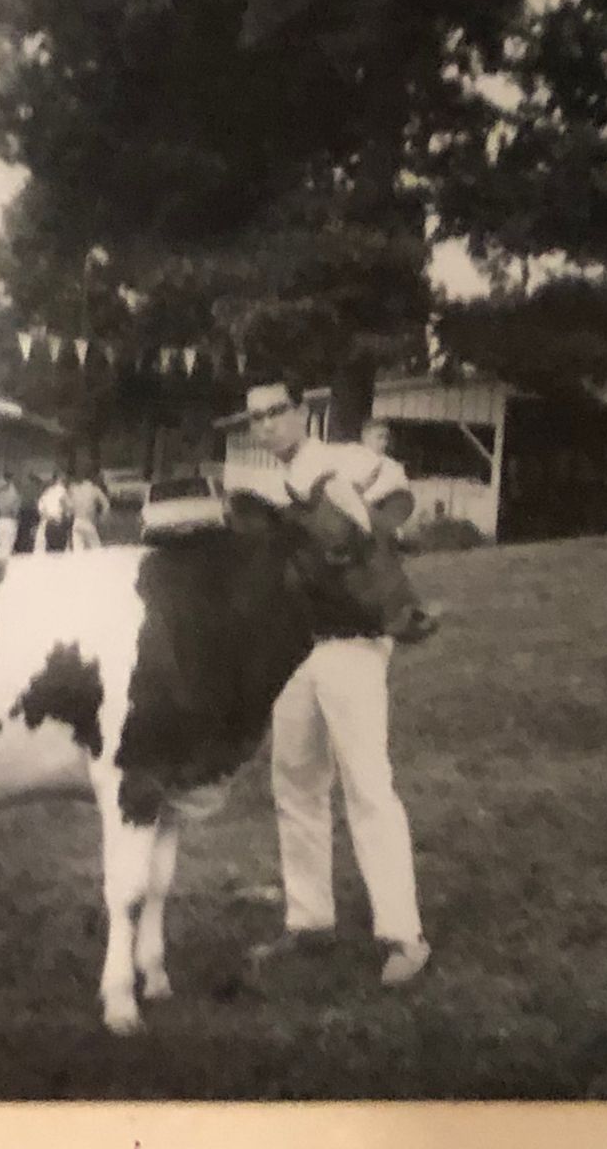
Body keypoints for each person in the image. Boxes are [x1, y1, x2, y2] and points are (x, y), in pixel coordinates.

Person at [228, 380, 432, 988]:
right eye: (256, 417)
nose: (267, 425)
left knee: (368, 785)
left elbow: (399, 496)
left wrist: (363, 529)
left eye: (276, 412)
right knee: (294, 783)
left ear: (301, 413)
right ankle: (309, 920)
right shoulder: (258, 485)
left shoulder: (347, 460)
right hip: (294, 647)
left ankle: (403, 934)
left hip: (352, 641)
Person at [67, 470, 109, 551]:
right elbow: (106, 505)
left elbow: (69, 507)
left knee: (78, 551)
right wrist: (102, 517)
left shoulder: (74, 489)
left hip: (76, 522)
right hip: (88, 522)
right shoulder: (94, 489)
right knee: (96, 549)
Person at [37, 471, 72, 552]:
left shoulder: (47, 492)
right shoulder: (62, 491)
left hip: (48, 524)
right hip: (59, 524)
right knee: (60, 552)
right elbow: (68, 508)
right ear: (60, 479)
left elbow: (41, 509)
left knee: (50, 552)